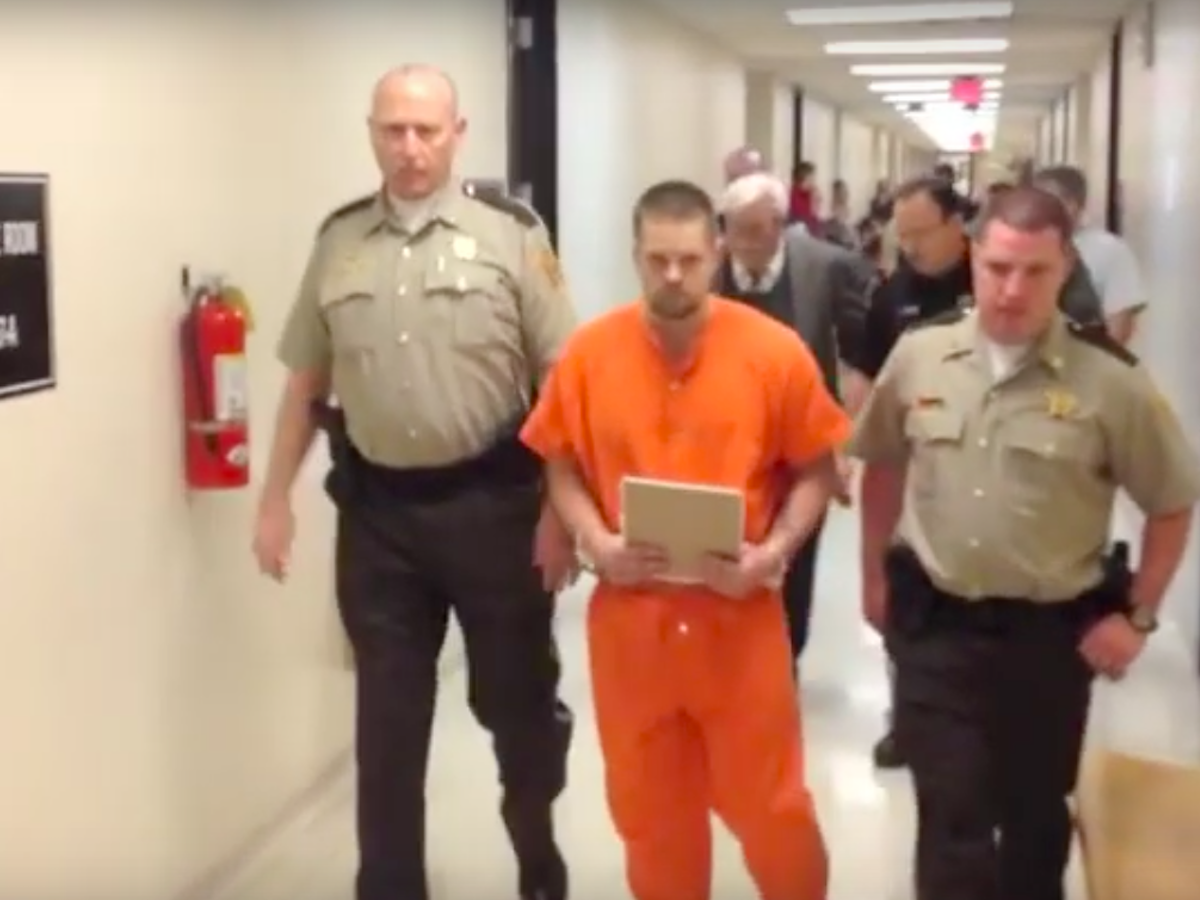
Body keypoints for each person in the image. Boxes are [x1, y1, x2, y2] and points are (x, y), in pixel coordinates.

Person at [252, 64, 577, 900]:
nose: (409, 147)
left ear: (456, 135)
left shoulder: (511, 235)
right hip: (381, 519)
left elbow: (563, 385)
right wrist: (274, 499)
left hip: (495, 508)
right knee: (387, 729)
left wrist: (561, 513)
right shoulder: (339, 241)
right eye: (393, 130)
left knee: (516, 708)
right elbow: (306, 382)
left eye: (426, 130)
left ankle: (537, 851)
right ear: (372, 134)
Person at [848, 185, 1200, 900]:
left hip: (1049, 638)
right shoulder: (920, 355)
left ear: (1065, 268)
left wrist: (1137, 617)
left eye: (1035, 272)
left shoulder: (1111, 383)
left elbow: (1171, 502)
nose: (1012, 290)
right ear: (973, 258)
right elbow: (882, 464)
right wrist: (874, 576)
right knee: (951, 814)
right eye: (998, 268)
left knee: (1034, 820)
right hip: (938, 625)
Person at [520, 180, 848, 900]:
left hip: (740, 621)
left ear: (718, 254)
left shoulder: (773, 352)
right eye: (658, 259)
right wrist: (594, 539)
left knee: (774, 812)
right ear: (635, 256)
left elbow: (819, 468)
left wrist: (775, 552)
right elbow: (559, 460)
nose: (673, 275)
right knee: (651, 819)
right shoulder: (591, 354)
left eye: (690, 260)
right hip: (632, 626)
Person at [848, 175, 1106, 769]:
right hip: (927, 478)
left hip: (1029, 509)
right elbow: (867, 371)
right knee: (917, 615)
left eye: (922, 232)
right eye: (902, 234)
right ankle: (912, 718)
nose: (910, 245)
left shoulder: (1015, 281)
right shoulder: (894, 295)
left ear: (956, 226)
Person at [717, 171, 872, 664]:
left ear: (780, 226)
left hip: (803, 445)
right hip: (726, 447)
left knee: (793, 569)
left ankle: (785, 666)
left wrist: (843, 443)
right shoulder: (709, 272)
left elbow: (858, 358)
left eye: (754, 230)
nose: (742, 242)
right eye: (732, 228)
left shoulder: (827, 268)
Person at [1034, 164, 1147, 345]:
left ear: (1072, 204)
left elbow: (1120, 324)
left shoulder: (1110, 250)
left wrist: (1097, 360)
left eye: (1045, 202)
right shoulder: (1027, 244)